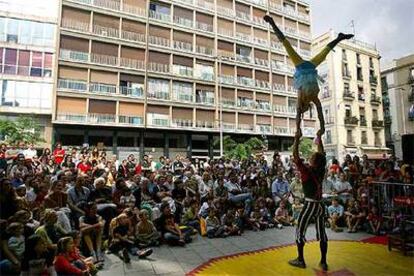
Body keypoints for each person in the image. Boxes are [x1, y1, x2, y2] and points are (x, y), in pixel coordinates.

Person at [264, 15, 354, 137]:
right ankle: (339, 38)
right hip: (310, 68)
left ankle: (272, 23)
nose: (303, 109)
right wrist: (322, 127)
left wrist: (297, 129)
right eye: (304, 109)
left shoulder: (301, 99)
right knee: (323, 52)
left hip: (301, 67)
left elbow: (299, 115)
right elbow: (320, 113)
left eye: (303, 109)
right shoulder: (313, 99)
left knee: (287, 45)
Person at [289, 129, 328, 271]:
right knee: (322, 232)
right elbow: (322, 155)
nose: (310, 157)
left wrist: (296, 139)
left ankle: (300, 259)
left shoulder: (306, 171)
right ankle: (323, 261)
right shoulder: (321, 169)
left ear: (314, 162)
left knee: (299, 231)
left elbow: (295, 156)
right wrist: (319, 138)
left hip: (310, 203)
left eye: (312, 157)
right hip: (321, 205)